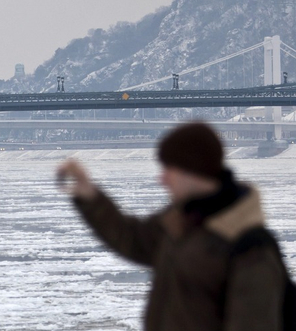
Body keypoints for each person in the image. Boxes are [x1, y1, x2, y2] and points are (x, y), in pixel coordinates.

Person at [57, 122, 286, 331]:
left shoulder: (251, 248)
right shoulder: (181, 221)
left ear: (193, 171)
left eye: (169, 169)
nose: (162, 179)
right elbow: (133, 239)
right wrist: (89, 196)